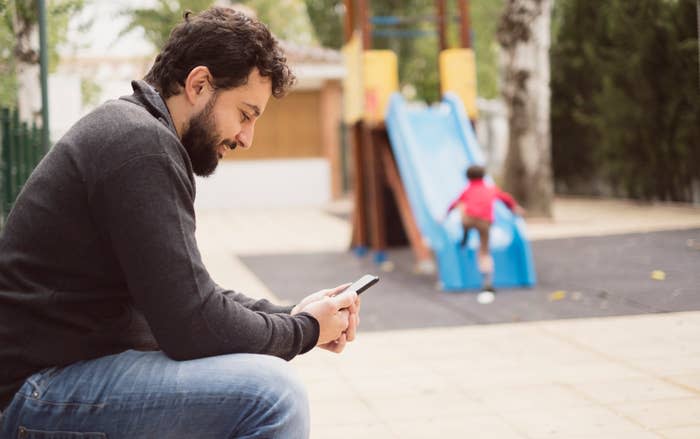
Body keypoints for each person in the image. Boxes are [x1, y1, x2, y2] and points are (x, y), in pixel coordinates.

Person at [0, 7, 361, 439]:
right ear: (199, 84)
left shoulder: (136, 134)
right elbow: (192, 324)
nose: (246, 138)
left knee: (257, 381)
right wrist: (303, 331)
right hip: (37, 390)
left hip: (62, 376)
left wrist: (292, 313)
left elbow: (188, 293)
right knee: (271, 395)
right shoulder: (140, 145)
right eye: (245, 114)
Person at [444, 165, 524, 301]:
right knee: (484, 252)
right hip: (485, 223)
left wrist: (446, 214)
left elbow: (454, 203)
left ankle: (465, 232)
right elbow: (506, 199)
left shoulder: (467, 190)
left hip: (468, 220)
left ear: (468, 177)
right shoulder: (490, 189)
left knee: (463, 208)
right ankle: (487, 282)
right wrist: (514, 208)